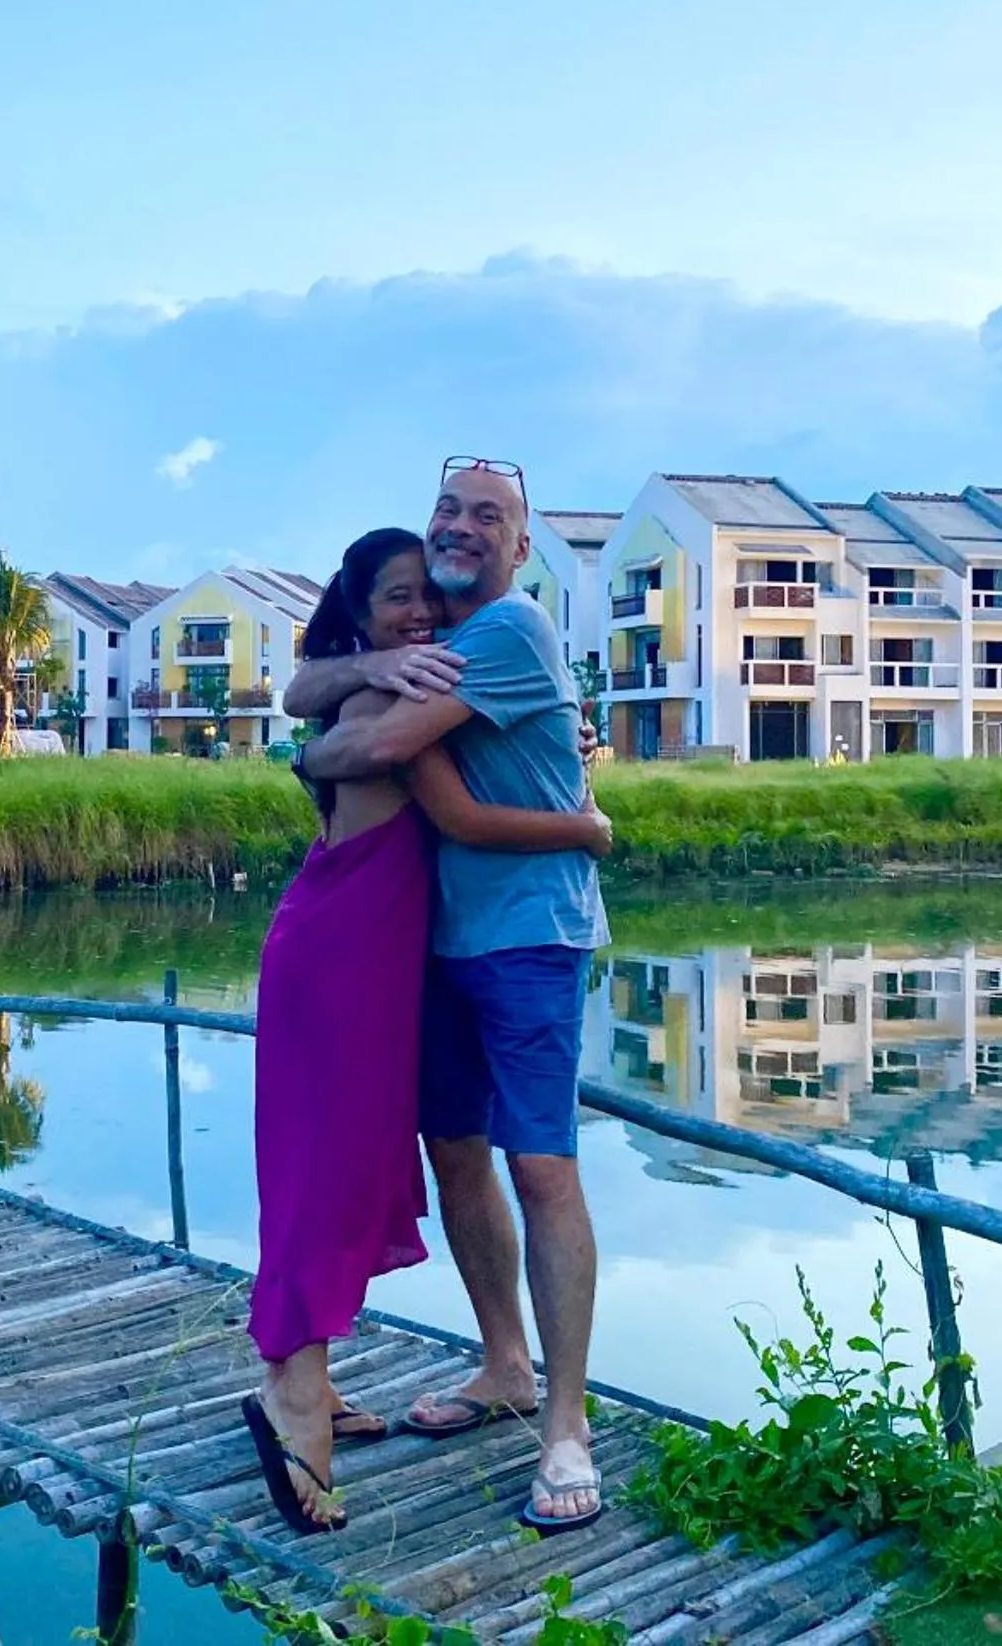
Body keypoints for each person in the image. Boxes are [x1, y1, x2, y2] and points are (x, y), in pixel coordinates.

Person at [241, 527, 612, 1536]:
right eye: (393, 598)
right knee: (331, 1168)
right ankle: (295, 1395)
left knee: (341, 1164)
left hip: (374, 954)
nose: (415, 613)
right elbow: (412, 784)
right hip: (346, 952)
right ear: (358, 615)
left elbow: (323, 718)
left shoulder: (445, 677)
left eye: (423, 597)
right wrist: (589, 829)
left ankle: (299, 1369)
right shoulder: (395, 696)